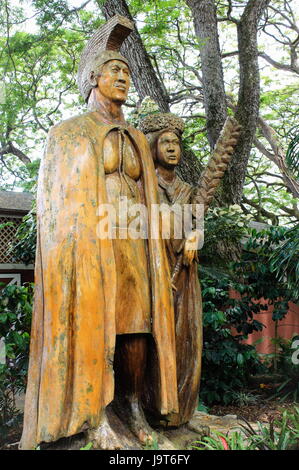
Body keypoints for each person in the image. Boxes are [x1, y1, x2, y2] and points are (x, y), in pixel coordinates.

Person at [20, 16, 178, 450]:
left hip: (134, 246)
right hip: (92, 248)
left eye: (127, 72)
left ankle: (131, 408)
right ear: (94, 78)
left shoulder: (135, 137)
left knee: (138, 330)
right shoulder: (68, 133)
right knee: (95, 326)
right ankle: (95, 418)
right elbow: (58, 205)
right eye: (116, 71)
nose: (124, 78)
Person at [140, 112, 241, 426]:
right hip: (152, 274)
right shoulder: (141, 186)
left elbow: (196, 224)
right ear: (152, 146)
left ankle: (180, 414)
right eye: (165, 142)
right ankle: (151, 410)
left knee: (186, 339)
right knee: (152, 344)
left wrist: (195, 236)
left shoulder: (186, 190)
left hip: (185, 275)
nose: (172, 148)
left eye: (176, 142)